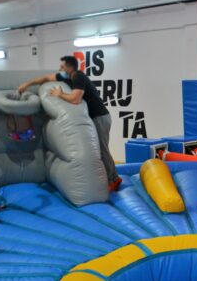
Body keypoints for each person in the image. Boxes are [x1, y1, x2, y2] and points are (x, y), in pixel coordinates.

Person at [18, 56, 122, 192]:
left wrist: (59, 94)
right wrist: (27, 84)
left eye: (62, 67)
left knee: (102, 149)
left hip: (100, 117)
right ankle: (110, 177)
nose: (60, 69)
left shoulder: (79, 77)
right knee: (98, 150)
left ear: (69, 67)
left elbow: (75, 99)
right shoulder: (68, 78)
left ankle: (113, 179)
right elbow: (46, 78)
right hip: (95, 117)